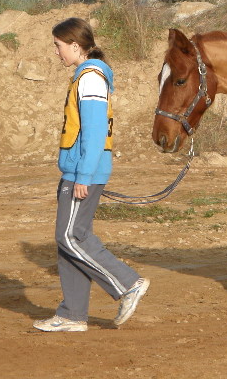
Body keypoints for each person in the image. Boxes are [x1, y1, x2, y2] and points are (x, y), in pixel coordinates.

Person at [33, 17, 149, 332]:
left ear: (75, 45)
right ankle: (72, 314)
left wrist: (83, 175)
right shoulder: (86, 75)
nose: (56, 52)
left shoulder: (91, 77)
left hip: (84, 172)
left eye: (58, 45)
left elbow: (96, 132)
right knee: (71, 239)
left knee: (70, 236)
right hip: (79, 169)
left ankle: (127, 283)